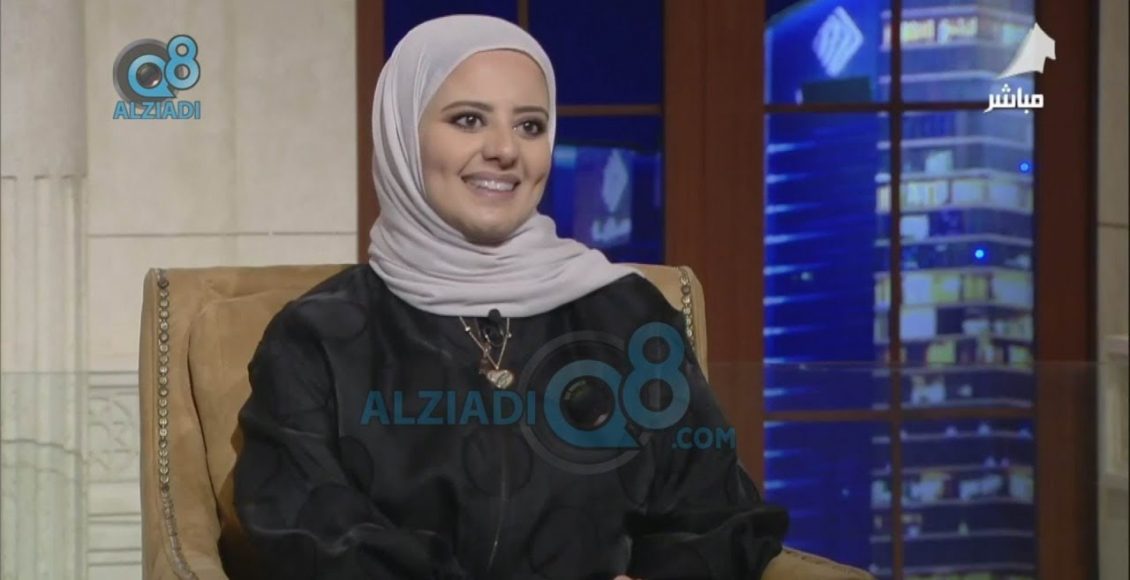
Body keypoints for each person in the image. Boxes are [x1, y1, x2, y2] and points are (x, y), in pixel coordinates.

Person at [233, 14, 788, 580]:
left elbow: (720, 513)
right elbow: (311, 537)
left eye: (529, 126)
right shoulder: (318, 337)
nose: (504, 149)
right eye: (468, 119)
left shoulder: (629, 316)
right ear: (402, 135)